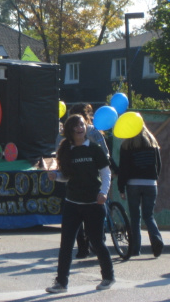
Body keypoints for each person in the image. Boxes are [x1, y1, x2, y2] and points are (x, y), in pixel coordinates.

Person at [46, 114, 115, 293]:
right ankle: (61, 283)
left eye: (82, 125)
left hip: (93, 203)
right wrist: (56, 176)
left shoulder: (95, 149)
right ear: (70, 130)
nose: (80, 128)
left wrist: (103, 192)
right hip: (72, 203)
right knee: (66, 244)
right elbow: (66, 176)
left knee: (97, 242)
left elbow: (106, 173)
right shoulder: (66, 150)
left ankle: (108, 276)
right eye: (76, 125)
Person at [56, 103, 110, 259]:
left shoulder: (66, 134)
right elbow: (105, 153)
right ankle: (97, 242)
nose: (79, 128)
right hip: (87, 185)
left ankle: (83, 247)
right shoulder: (93, 131)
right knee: (93, 216)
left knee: (79, 219)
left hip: (82, 187)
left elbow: (59, 155)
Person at [118, 123, 163, 257]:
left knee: (135, 217)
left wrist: (121, 187)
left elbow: (123, 168)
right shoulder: (152, 143)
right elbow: (158, 165)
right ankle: (156, 239)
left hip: (133, 184)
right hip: (150, 183)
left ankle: (135, 249)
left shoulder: (126, 145)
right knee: (148, 215)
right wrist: (155, 179)